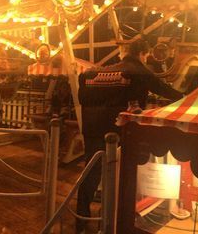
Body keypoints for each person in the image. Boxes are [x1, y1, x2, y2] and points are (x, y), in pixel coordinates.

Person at [76, 41, 184, 225]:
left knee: (92, 172)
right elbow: (164, 90)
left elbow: (82, 98)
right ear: (143, 53)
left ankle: (81, 217)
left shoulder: (92, 74)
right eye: (146, 56)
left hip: (93, 128)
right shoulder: (137, 70)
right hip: (120, 129)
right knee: (120, 173)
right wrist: (186, 98)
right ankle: (112, 218)